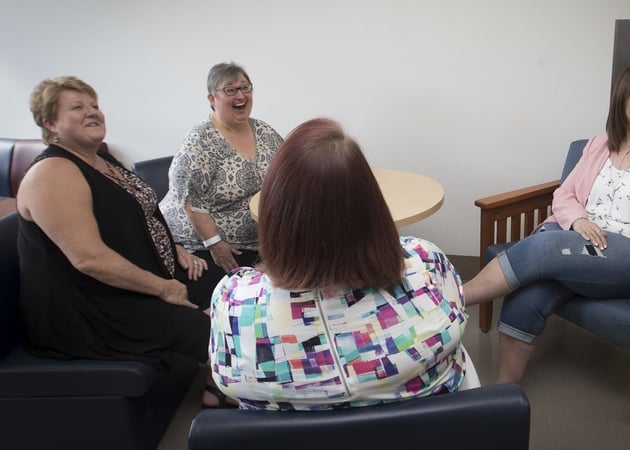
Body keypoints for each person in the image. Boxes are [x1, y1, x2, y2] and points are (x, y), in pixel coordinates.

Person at [464, 64, 630, 383]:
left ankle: (456, 298)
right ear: (622, 101)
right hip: (579, 243)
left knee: (545, 245)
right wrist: (578, 219)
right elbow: (565, 193)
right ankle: (504, 392)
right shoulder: (599, 144)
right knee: (529, 294)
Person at [209, 118, 474, 410]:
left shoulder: (234, 303)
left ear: (276, 214)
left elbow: (229, 380)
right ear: (372, 205)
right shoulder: (426, 264)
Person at [17, 76, 230, 408]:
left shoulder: (100, 161)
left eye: (94, 105)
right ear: (49, 122)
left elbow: (139, 215)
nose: (93, 112)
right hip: (88, 308)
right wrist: (164, 288)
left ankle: (222, 376)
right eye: (77, 107)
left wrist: (176, 249)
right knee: (203, 328)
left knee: (226, 288)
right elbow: (89, 259)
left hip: (134, 282)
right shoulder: (53, 172)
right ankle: (224, 391)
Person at [160, 62, 283, 302]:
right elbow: (191, 202)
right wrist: (215, 244)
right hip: (201, 244)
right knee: (235, 299)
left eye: (245, 87)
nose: (240, 95)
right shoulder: (199, 141)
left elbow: (287, 171)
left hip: (258, 240)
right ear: (212, 98)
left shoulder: (264, 131)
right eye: (230, 90)